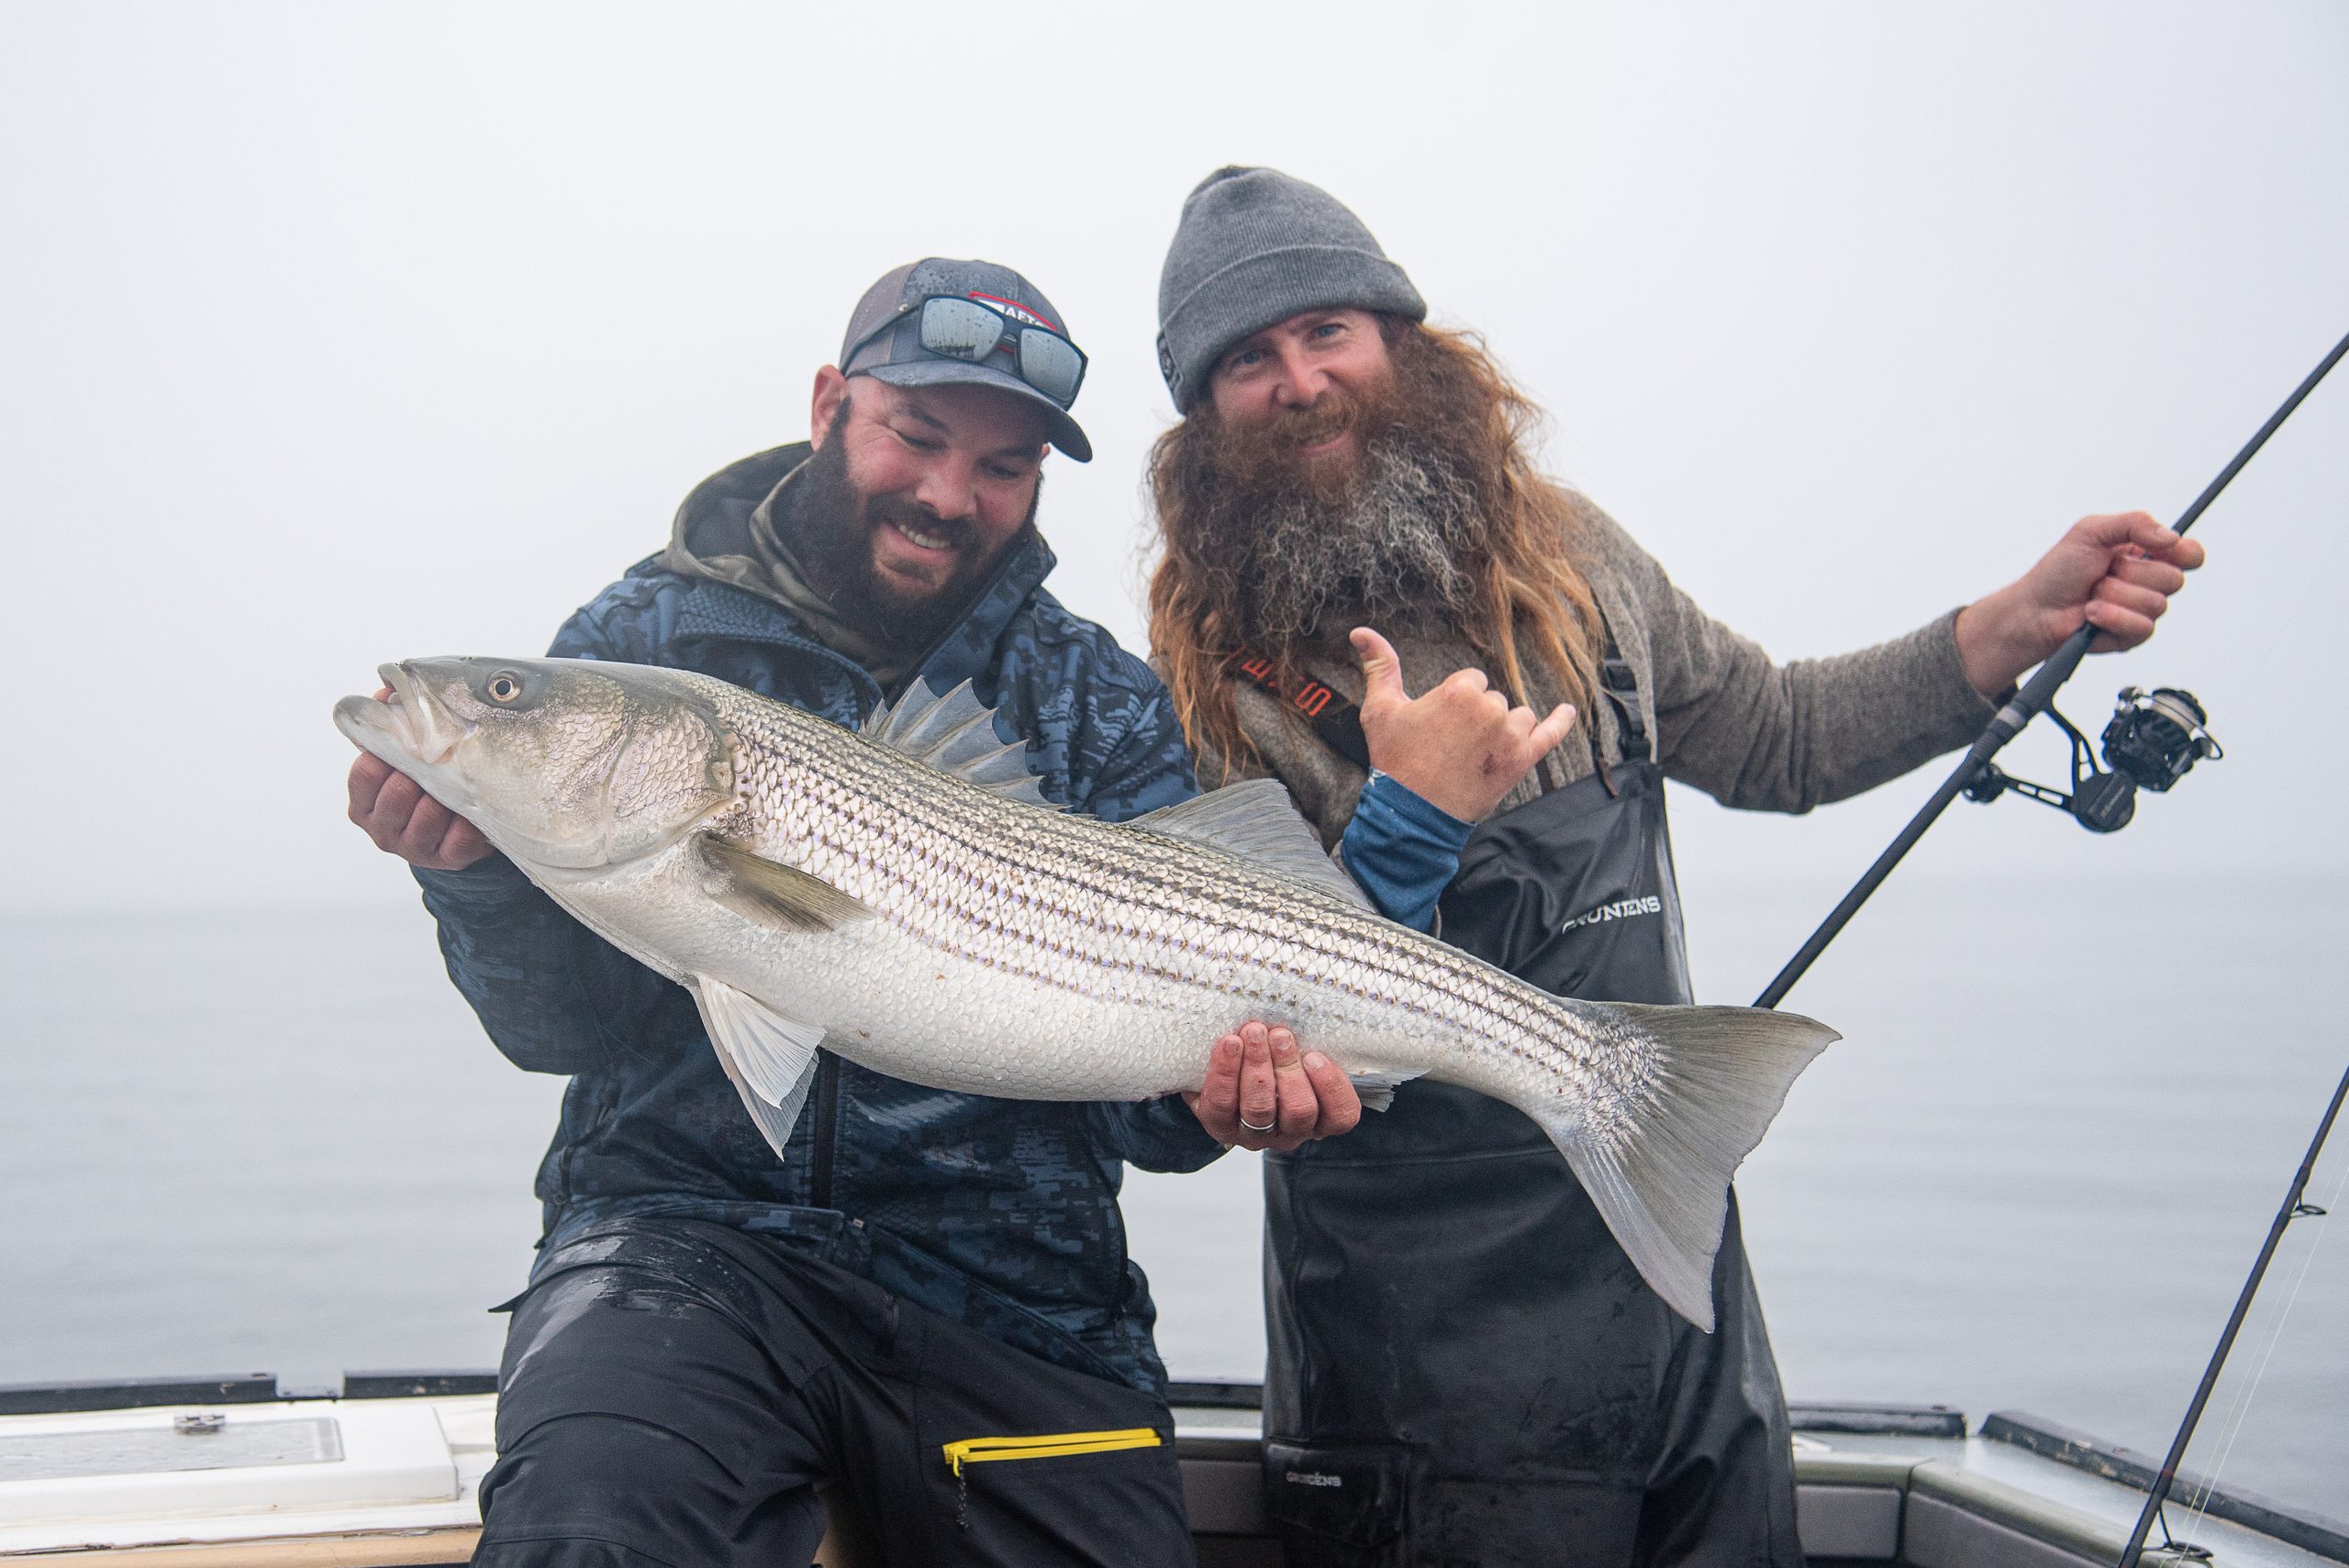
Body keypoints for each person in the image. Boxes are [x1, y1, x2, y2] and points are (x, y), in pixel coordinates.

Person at [1142, 166, 2204, 1568]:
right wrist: (1409, 812)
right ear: (1204, 423)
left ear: (1400, 342)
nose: (1298, 379)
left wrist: (2005, 628)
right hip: (1414, 1367)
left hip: (1679, 1312)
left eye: (1325, 330)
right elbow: (1255, 990)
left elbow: (1782, 734)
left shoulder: (1570, 559)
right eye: (1245, 362)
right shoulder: (1213, 680)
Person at [345, 257, 1375, 1568]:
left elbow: (1145, 1121)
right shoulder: (644, 642)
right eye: (919, 435)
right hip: (679, 1246)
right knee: (589, 1538)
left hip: (1020, 1293)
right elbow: (563, 1027)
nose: (951, 494)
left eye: (1002, 468)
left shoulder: (1098, 702)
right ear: (833, 401)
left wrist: (1222, 1103)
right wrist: (475, 878)